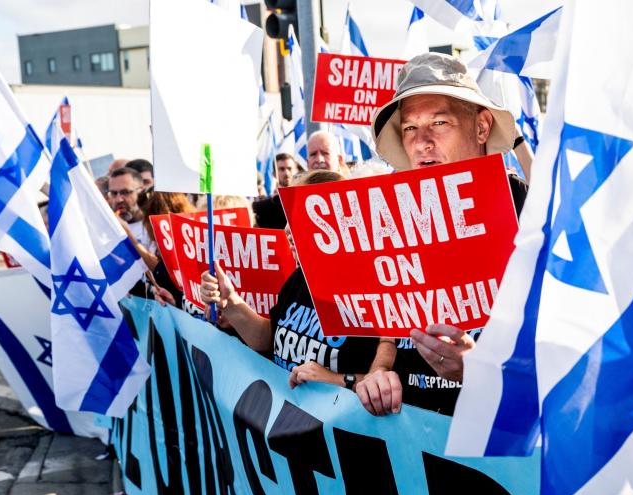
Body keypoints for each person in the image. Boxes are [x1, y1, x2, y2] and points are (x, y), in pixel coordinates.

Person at [356, 52, 529, 416]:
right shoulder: (391, 215)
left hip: (496, 451)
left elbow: (571, 358)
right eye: (409, 128)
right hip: (409, 442)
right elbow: (391, 333)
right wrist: (378, 375)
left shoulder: (526, 212)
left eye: (439, 122)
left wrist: (479, 369)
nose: (422, 142)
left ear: (481, 128)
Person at [198, 170, 394, 393]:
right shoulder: (299, 278)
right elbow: (269, 339)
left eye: (300, 217)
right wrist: (230, 302)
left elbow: (389, 382)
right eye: (288, 217)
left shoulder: (372, 291)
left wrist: (336, 379)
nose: (287, 230)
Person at [252, 153, 301, 230]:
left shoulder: (303, 201)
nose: (286, 173)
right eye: (281, 169)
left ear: (296, 171)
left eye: (289, 169)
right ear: (274, 173)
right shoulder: (261, 207)